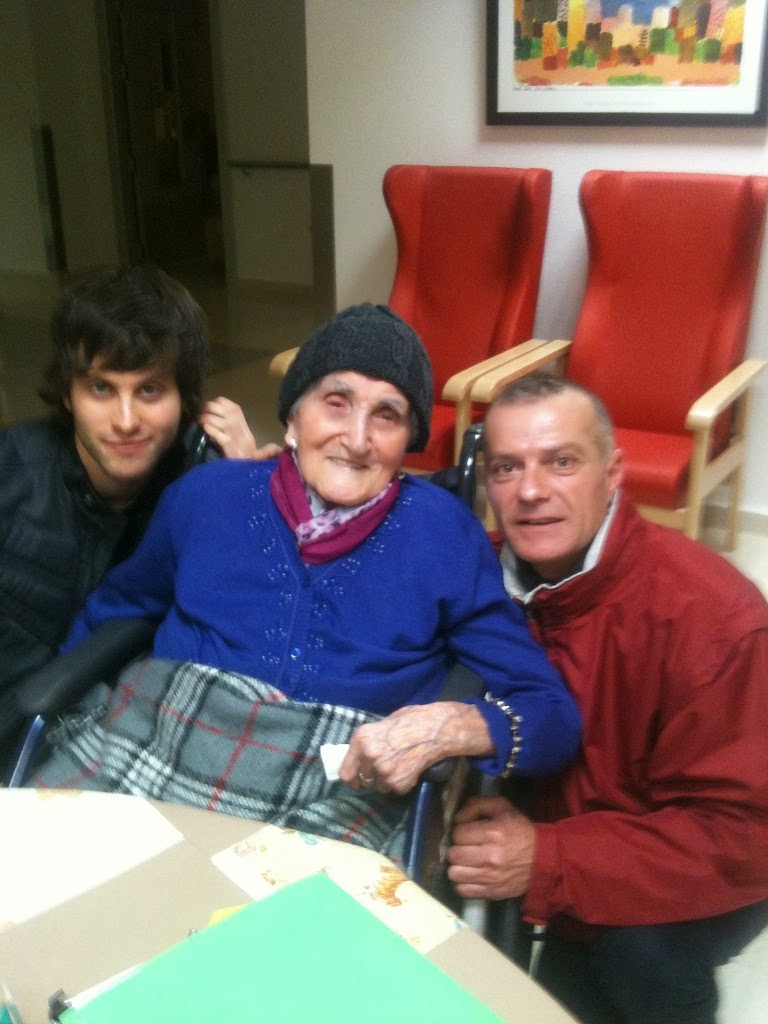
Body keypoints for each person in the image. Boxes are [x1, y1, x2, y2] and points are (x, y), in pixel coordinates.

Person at [30, 304, 581, 858]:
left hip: (336, 796)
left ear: (407, 440)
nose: (357, 439)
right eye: (336, 403)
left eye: (387, 416)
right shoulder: (205, 496)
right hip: (161, 749)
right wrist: (64, 697)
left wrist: (457, 726)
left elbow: (549, 714)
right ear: (292, 419)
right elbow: (119, 608)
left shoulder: (445, 534)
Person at [447, 375, 768, 1024]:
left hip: (705, 854)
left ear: (613, 473)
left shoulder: (715, 619)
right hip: (564, 830)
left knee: (639, 958)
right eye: (507, 468)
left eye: (561, 462)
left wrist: (549, 858)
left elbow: (739, 833)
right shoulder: (476, 575)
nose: (531, 491)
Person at [0, 265, 278, 744]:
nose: (125, 421)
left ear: (186, 398)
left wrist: (239, 489)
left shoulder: (200, 481)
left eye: (149, 389)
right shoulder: (14, 471)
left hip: (109, 736)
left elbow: (260, 631)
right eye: (101, 388)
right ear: (67, 395)